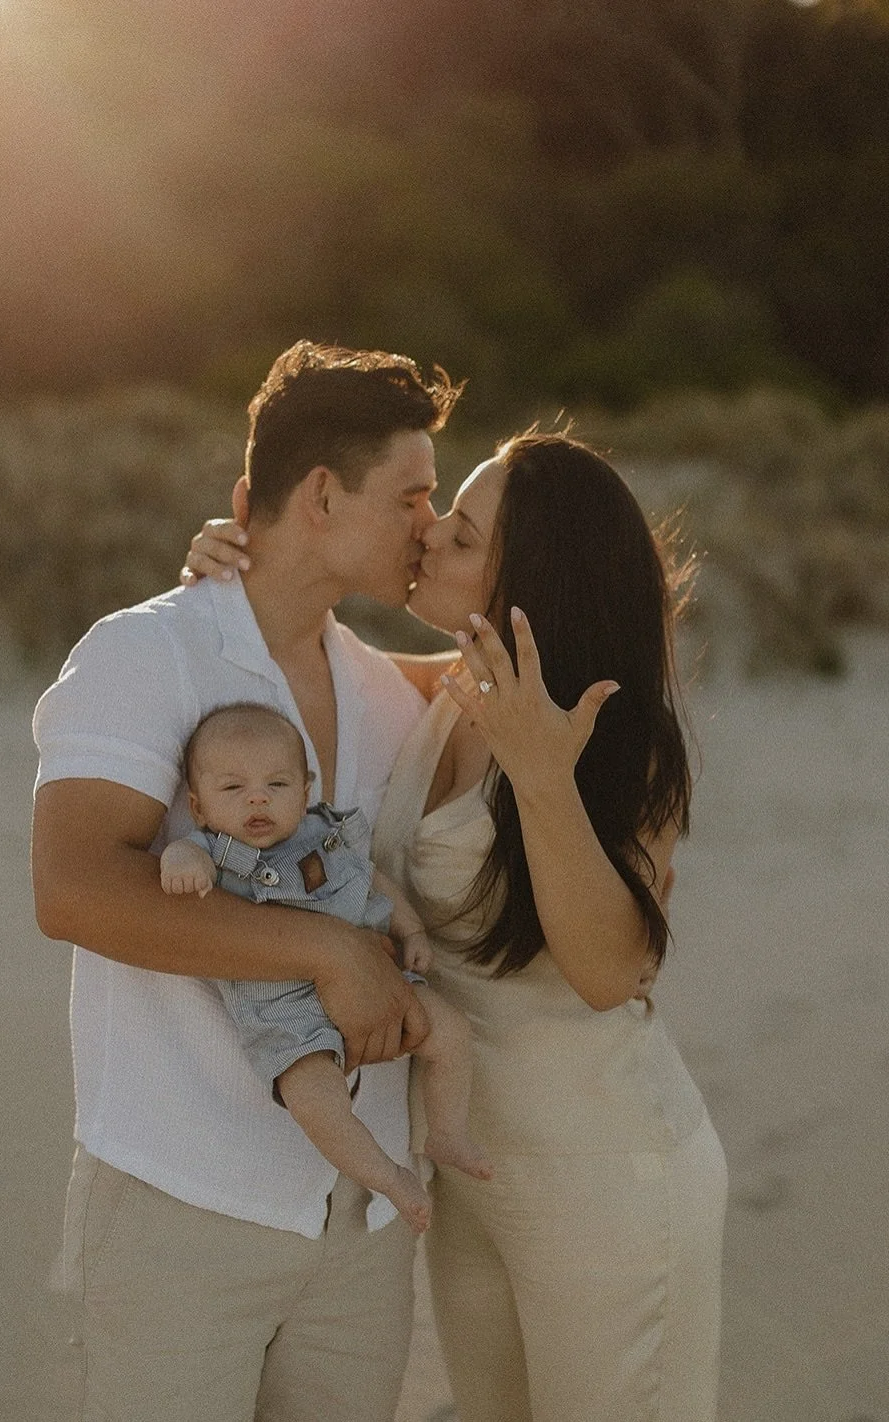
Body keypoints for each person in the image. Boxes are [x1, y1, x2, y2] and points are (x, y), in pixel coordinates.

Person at [182, 432, 729, 1421]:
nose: (429, 535)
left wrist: (541, 776)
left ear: (532, 579)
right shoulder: (434, 688)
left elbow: (610, 971)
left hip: (606, 1179)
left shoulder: (617, 738)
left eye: (463, 533)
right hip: (468, 1176)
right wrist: (234, 563)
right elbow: (295, 651)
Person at [31, 340, 463, 1422]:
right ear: (320, 493)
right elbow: (73, 889)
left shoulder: (388, 696)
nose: (428, 519)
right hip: (186, 1202)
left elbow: (532, 641)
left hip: (363, 1222)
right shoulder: (147, 655)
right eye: (412, 494)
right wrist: (324, 950)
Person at [159, 700, 492, 1234]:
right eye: (232, 789)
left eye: (278, 784)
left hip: (379, 978)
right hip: (285, 1013)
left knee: (450, 1030)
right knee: (316, 1101)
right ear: (197, 807)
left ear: (307, 790)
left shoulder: (326, 834)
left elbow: (372, 880)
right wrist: (180, 862)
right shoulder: (214, 852)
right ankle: (387, 1176)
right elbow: (182, 856)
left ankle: (447, 1130)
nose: (258, 798)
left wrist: (411, 930)